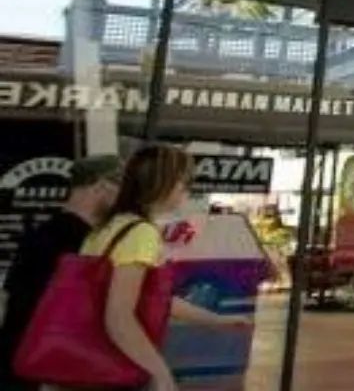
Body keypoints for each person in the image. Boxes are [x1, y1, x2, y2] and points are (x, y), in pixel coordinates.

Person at [82, 145, 238, 391]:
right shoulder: (140, 233)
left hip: (86, 357)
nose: (186, 189)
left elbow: (154, 297)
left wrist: (217, 320)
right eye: (183, 181)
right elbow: (119, 317)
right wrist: (160, 371)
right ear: (161, 183)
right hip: (111, 364)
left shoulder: (109, 225)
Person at [0, 153, 123, 391]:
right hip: (45, 371)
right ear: (101, 186)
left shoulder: (40, 235)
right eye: (123, 189)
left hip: (22, 365)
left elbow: (9, 299)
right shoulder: (85, 243)